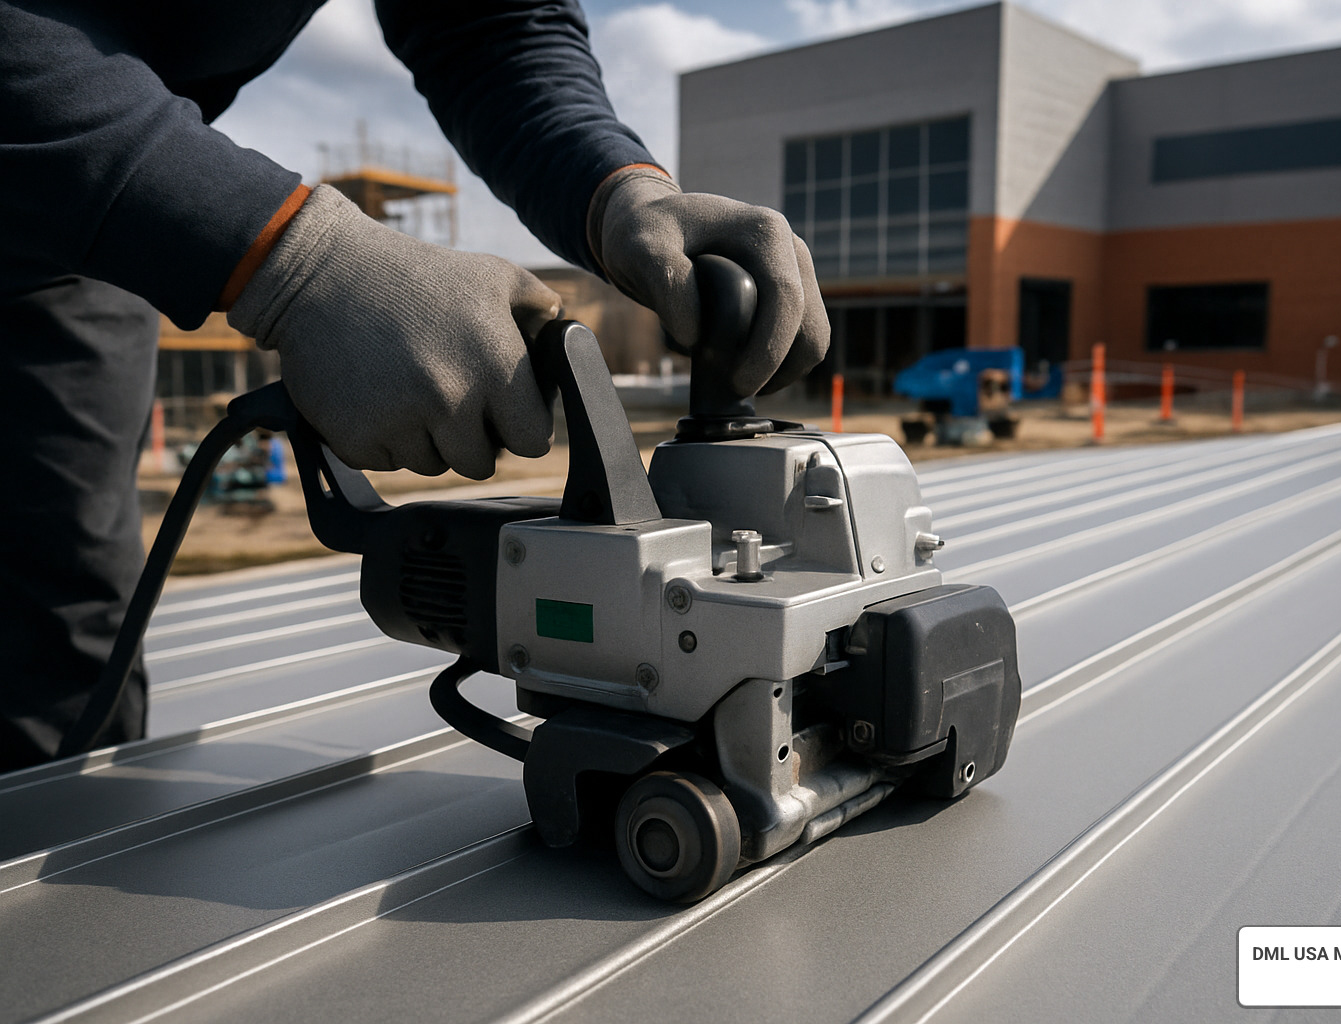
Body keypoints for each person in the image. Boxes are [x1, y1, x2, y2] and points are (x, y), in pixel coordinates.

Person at [0, 0, 830, 771]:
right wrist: (292, 260)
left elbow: (489, 23)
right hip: (76, 157)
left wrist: (620, 192)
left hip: (70, 225)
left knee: (59, 640)